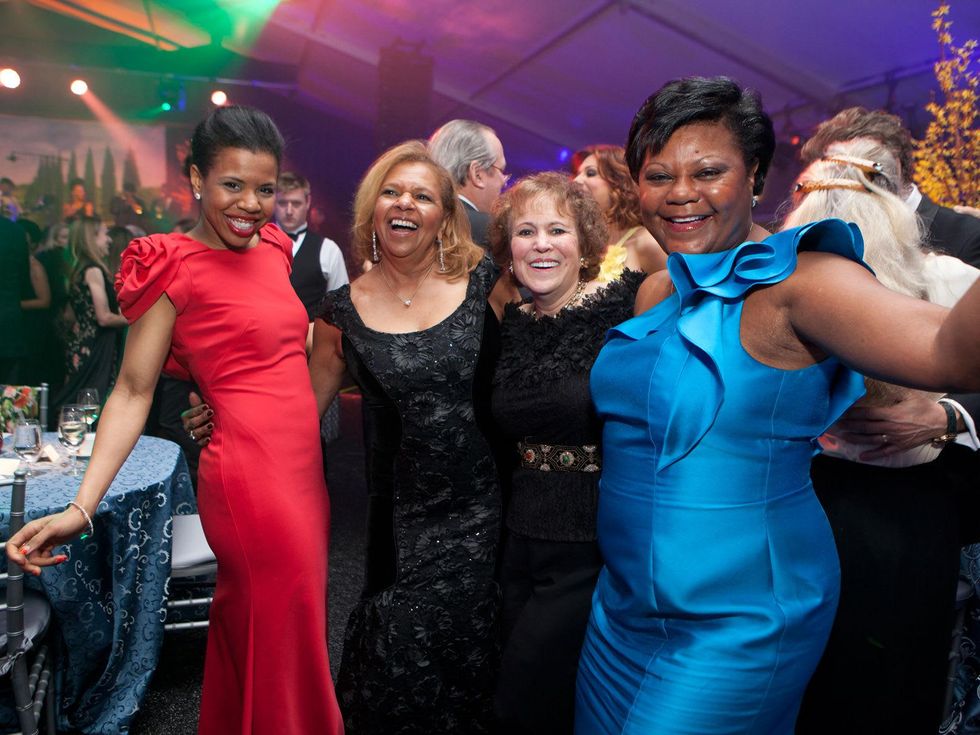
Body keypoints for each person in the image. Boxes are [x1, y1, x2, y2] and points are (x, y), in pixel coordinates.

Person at [574, 76, 980, 735]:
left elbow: (950, 353)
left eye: (709, 172)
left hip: (739, 620)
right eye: (658, 175)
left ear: (756, 176)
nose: (681, 193)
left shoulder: (802, 282)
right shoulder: (656, 290)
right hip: (619, 609)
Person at [6, 105, 343, 735]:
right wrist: (82, 506)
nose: (250, 205)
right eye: (232, 185)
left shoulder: (274, 248)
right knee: (284, 624)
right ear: (195, 178)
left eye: (264, 189)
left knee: (268, 622)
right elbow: (133, 390)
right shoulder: (171, 265)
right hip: (251, 481)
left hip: (302, 469)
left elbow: (277, 350)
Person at [786, 143, 979, 733]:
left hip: (915, 508)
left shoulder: (947, 278)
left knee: (896, 677)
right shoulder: (783, 286)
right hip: (810, 500)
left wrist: (947, 415)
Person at [314, 140, 501, 733]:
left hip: (487, 512)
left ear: (444, 216)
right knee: (397, 671)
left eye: (422, 196)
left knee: (478, 668)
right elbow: (297, 412)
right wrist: (224, 415)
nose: (404, 204)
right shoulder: (340, 314)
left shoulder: (487, 283)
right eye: (391, 192)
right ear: (372, 209)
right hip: (399, 522)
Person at [487, 172, 644, 733]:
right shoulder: (510, 323)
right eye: (526, 231)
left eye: (558, 230)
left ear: (586, 244)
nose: (541, 244)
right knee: (532, 696)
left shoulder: (624, 307)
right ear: (509, 248)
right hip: (518, 540)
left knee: (521, 695)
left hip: (589, 544)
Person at [50, 217, 128, 416]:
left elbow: (70, 316)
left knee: (77, 406)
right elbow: (104, 317)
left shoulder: (77, 269)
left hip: (84, 344)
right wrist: (135, 319)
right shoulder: (93, 270)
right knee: (88, 405)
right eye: (104, 234)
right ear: (91, 238)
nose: (109, 239)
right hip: (96, 347)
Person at [572, 145, 667, 279]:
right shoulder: (583, 245)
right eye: (577, 174)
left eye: (590, 173)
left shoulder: (646, 242)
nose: (576, 180)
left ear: (619, 182)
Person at [275, 170, 350, 320]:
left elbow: (341, 310)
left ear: (308, 202)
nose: (289, 211)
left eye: (296, 203)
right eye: (282, 203)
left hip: (309, 335)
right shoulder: (256, 243)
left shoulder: (328, 250)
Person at [428, 119, 510, 247]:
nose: (504, 182)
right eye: (501, 170)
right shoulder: (491, 230)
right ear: (477, 174)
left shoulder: (420, 220)